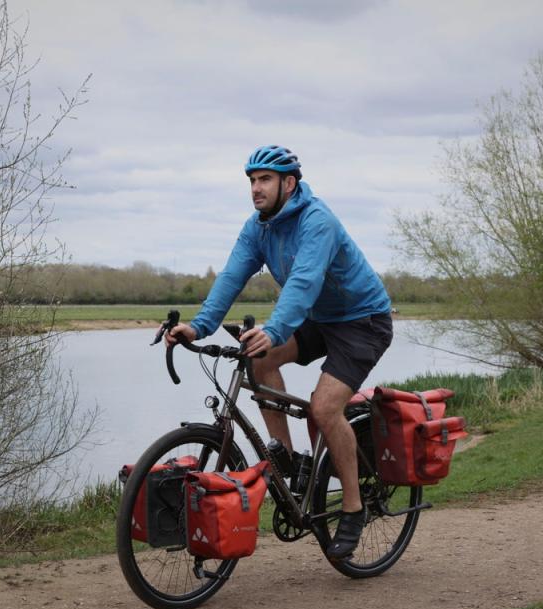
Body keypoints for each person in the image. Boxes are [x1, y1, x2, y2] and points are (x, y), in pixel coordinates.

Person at [166, 144, 393, 560]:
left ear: (289, 183)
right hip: (319, 319)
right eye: (252, 180)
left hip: (363, 321)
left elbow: (304, 283)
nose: (256, 188)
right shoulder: (259, 227)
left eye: (264, 179)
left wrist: (274, 330)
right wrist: (197, 325)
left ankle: (353, 508)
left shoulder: (316, 220)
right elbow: (232, 275)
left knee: (324, 409)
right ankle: (289, 460)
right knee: (258, 358)